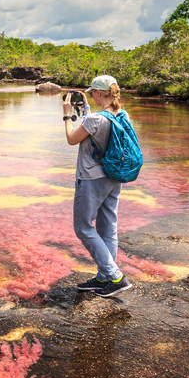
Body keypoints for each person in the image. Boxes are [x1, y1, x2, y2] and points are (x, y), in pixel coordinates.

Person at [62, 74, 132, 298]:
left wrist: (67, 115)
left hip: (91, 178)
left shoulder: (95, 120)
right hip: (113, 176)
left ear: (99, 93)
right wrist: (86, 110)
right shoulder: (122, 115)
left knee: (83, 228)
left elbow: (72, 139)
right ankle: (105, 277)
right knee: (108, 227)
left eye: (93, 92)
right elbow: (97, 128)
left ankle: (115, 276)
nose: (91, 94)